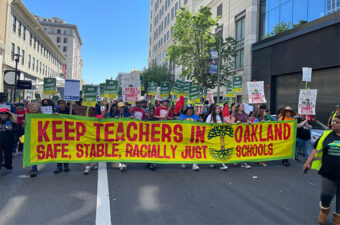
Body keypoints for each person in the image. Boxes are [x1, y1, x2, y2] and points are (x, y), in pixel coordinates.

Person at [303, 115, 340, 225]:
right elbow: (316, 148)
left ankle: (338, 216)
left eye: (337, 122)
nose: (333, 123)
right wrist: (308, 162)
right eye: (333, 121)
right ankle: (324, 211)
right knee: (326, 194)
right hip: (328, 172)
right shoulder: (326, 135)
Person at [54, 100, 75, 174]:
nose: (62, 105)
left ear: (65, 104)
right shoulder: (56, 110)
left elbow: (75, 119)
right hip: (58, 133)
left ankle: (66, 165)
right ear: (58, 105)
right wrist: (54, 115)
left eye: (63, 104)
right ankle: (59, 166)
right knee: (58, 150)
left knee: (66, 149)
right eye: (60, 104)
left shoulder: (70, 110)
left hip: (67, 132)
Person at [206, 105, 228, 170]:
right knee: (213, 148)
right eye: (216, 109)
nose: (218, 110)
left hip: (220, 135)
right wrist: (210, 123)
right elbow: (205, 125)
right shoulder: (210, 116)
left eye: (219, 109)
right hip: (213, 135)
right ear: (214, 109)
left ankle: (222, 162)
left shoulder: (220, 116)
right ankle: (212, 161)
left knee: (221, 149)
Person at [178, 105, 200, 171]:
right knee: (185, 149)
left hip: (193, 135)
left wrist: (198, 121)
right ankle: (184, 161)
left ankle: (194, 164)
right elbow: (176, 124)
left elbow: (201, 124)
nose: (190, 111)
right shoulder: (182, 116)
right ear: (186, 110)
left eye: (191, 109)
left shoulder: (195, 117)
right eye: (189, 109)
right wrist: (180, 121)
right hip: (185, 135)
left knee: (194, 149)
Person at [231, 103, 251, 169]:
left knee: (243, 147)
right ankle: (236, 159)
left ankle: (243, 161)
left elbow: (246, 121)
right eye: (241, 106)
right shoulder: (234, 115)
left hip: (244, 133)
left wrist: (249, 122)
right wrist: (236, 123)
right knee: (237, 147)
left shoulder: (245, 114)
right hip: (237, 134)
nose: (242, 107)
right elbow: (231, 123)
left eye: (243, 106)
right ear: (238, 107)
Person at [83, 107, 101, 174]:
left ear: (94, 110)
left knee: (96, 151)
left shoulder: (99, 116)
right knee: (88, 152)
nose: (90, 111)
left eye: (91, 110)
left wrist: (100, 120)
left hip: (97, 137)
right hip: (89, 137)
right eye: (89, 110)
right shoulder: (87, 117)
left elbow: (105, 122)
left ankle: (95, 163)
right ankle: (87, 167)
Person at [114, 102, 131, 171]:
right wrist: (114, 119)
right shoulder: (115, 114)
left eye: (123, 107)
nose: (122, 108)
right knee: (119, 148)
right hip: (117, 134)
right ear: (118, 108)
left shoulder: (127, 113)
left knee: (124, 148)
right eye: (121, 107)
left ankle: (123, 162)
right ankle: (121, 162)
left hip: (125, 134)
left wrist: (131, 118)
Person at [0, 108, 17, 172]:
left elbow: (16, 130)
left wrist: (11, 129)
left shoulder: (11, 122)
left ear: (8, 115)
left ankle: (8, 166)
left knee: (8, 155)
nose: (4, 115)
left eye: (6, 114)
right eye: (2, 114)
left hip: (8, 142)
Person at [27, 102, 42, 177]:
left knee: (38, 152)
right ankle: (34, 167)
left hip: (41, 137)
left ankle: (34, 167)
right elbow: (25, 126)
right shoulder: (28, 116)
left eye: (36, 107)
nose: (35, 108)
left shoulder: (43, 116)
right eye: (33, 107)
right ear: (31, 108)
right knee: (33, 152)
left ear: (39, 108)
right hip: (31, 137)